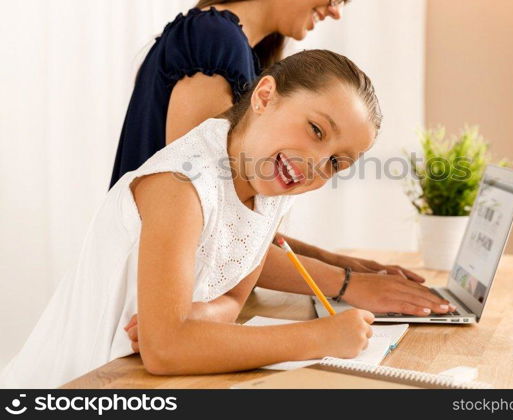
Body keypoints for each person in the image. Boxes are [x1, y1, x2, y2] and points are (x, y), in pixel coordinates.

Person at [108, 0, 455, 319]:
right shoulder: (214, 42)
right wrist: (348, 284)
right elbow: (209, 230)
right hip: (142, 311)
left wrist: (347, 267)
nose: (336, 10)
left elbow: (237, 230)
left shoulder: (238, 52)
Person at [2, 50, 389, 388]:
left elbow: (234, 299)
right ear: (265, 96)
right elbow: (165, 350)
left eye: (337, 163)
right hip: (71, 386)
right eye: (316, 130)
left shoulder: (270, 190)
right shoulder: (183, 183)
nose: (316, 165)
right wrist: (318, 337)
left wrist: (197, 319)